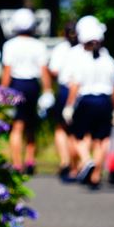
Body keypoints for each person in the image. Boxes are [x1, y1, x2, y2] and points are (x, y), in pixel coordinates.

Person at [63, 16, 114, 189]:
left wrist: (69, 106)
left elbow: (75, 85)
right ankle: (96, 175)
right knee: (102, 140)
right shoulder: (108, 60)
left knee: (79, 136)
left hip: (86, 101)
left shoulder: (80, 59)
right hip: (105, 102)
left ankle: (87, 161)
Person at [0, 8, 52, 174]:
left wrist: (2, 91)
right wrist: (48, 90)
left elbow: (7, 71)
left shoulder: (10, 45)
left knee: (17, 125)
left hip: (16, 85)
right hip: (32, 86)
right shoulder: (39, 45)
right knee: (31, 124)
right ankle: (30, 160)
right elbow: (43, 71)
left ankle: (17, 162)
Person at [47, 22, 80, 181]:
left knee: (62, 129)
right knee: (76, 130)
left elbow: (54, 70)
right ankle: (76, 166)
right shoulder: (85, 50)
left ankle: (65, 161)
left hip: (65, 90)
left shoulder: (61, 49)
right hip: (81, 92)